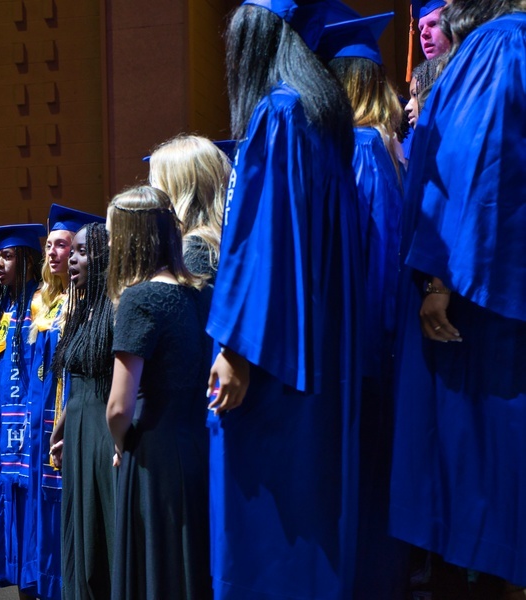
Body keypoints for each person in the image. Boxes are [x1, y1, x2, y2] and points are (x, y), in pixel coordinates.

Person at [206, 2, 364, 598]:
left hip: (275, 363)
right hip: (317, 346)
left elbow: (262, 244)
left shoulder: (280, 114)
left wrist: (236, 348)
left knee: (266, 522)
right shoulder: (322, 120)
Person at [391, 1, 526, 595]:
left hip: (481, 307)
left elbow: (477, 163)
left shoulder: (501, 45)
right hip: (492, 285)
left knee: (475, 485)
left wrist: (439, 278)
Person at [319, 10, 410, 597]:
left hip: (364, 354)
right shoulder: (393, 146)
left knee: (362, 491)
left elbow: (372, 263)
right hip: (383, 350)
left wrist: (358, 354)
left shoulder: (362, 149)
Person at [105, 186, 211, 600]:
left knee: (155, 570)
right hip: (197, 444)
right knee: (189, 566)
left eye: (115, 234)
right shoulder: (200, 292)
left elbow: (118, 406)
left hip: (152, 453)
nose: (111, 244)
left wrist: (119, 443)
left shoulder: (140, 297)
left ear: (133, 238)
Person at [22, 204, 104, 600]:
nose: (57, 254)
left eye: (65, 246)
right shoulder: (43, 303)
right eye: (51, 246)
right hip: (44, 420)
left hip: (75, 413)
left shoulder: (87, 303)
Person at [0, 223, 44, 589]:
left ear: (29, 260)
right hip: (1, 432)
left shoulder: (42, 306)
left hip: (29, 430)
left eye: (8, 256)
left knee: (32, 513)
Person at [48, 222, 116, 600]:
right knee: (80, 530)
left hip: (104, 431)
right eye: (71, 251)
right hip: (78, 429)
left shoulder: (117, 306)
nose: (73, 259)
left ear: (104, 257)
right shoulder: (82, 310)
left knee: (102, 528)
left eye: (83, 252)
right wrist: (62, 426)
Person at [148, 134, 230, 280]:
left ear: (177, 188)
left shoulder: (197, 250)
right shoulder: (226, 237)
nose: (152, 191)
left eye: (155, 182)